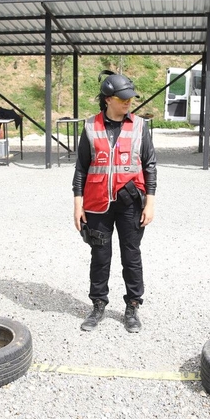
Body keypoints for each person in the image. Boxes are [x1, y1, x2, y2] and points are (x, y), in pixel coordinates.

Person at [72, 71, 157, 333]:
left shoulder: (141, 126)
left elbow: (150, 166)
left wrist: (150, 202)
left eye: (131, 98)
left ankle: (132, 306)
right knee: (100, 256)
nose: (128, 102)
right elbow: (81, 169)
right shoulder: (89, 127)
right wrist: (77, 204)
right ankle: (98, 305)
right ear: (108, 99)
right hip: (97, 204)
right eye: (123, 98)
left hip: (131, 202)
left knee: (131, 256)